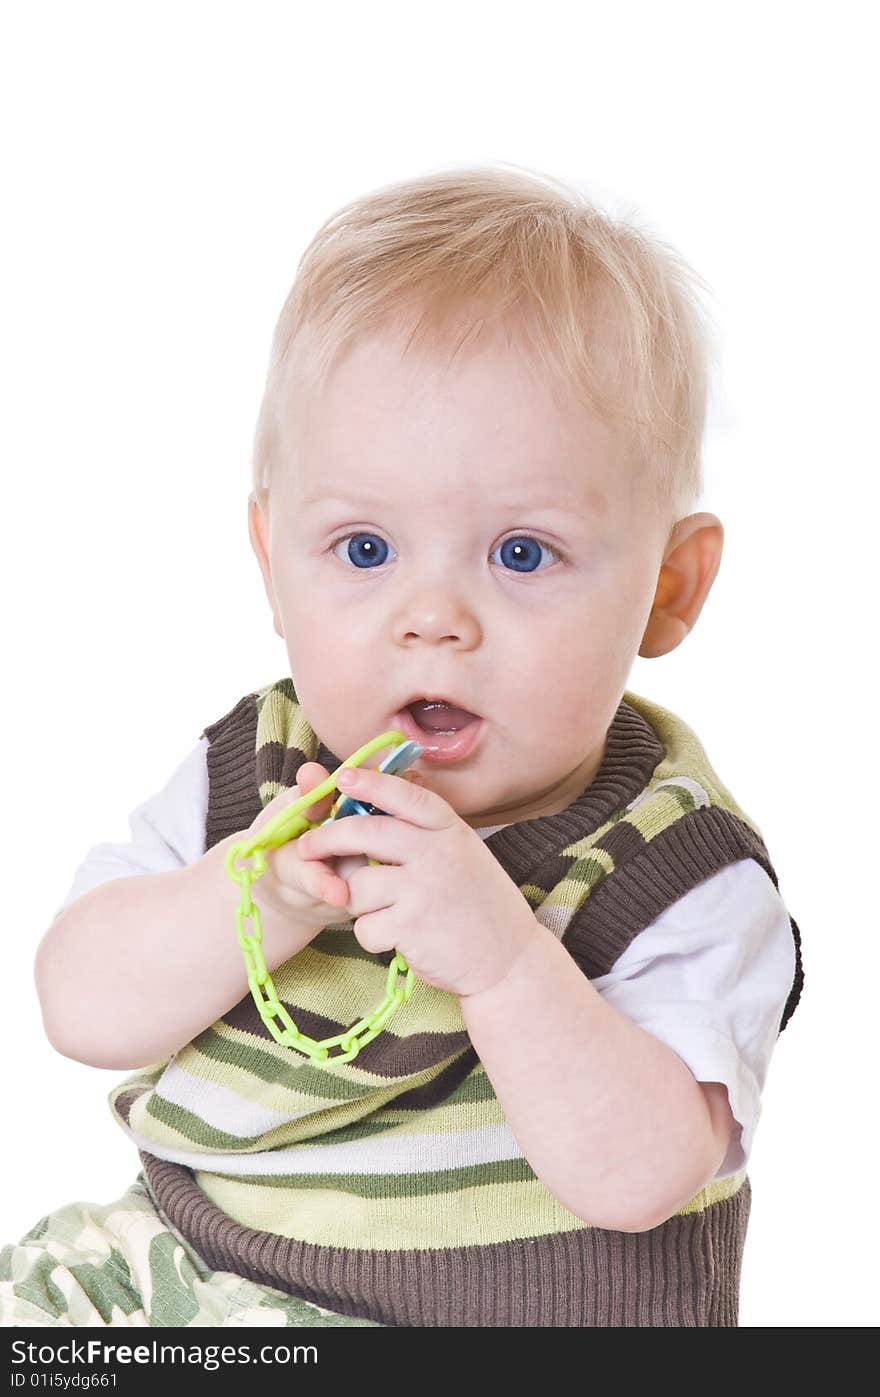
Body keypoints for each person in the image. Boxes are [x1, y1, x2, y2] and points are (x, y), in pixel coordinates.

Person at [1, 164, 803, 1328]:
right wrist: (259, 894)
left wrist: (503, 961)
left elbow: (642, 1175)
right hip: (195, 1271)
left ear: (669, 590)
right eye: (366, 550)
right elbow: (80, 1005)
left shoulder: (676, 865)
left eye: (521, 554)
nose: (433, 617)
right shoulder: (258, 772)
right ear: (271, 559)